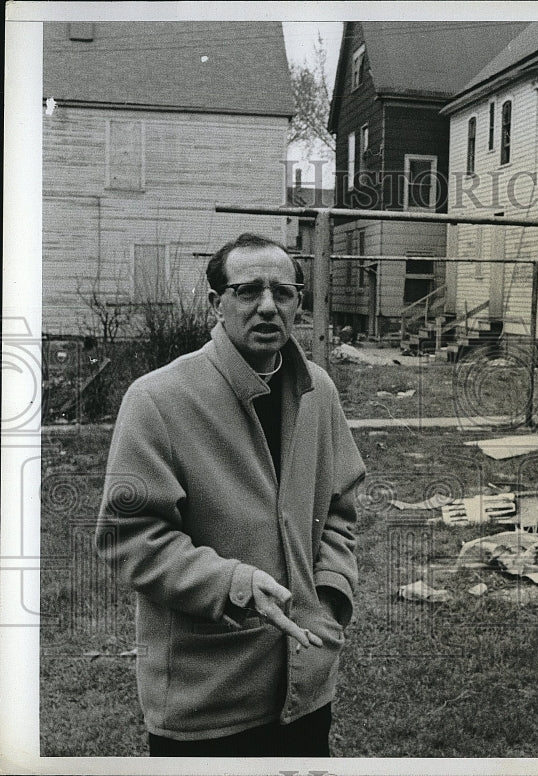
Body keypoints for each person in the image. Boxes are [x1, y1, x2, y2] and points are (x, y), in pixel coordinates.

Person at [97, 233, 365, 757]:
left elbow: (341, 504)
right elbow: (130, 537)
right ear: (215, 303)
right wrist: (233, 584)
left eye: (284, 292)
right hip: (207, 701)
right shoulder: (157, 399)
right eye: (248, 291)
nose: (268, 306)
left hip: (307, 685)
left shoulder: (319, 392)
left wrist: (328, 594)